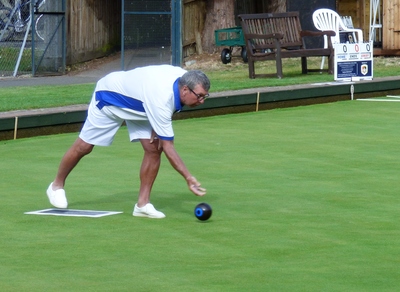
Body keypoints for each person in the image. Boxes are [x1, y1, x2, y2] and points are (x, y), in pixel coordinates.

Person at [46, 65, 210, 219]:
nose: (202, 101)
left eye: (205, 96)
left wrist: (157, 124)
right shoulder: (160, 97)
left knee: (153, 148)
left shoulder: (183, 78)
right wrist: (188, 177)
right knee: (84, 146)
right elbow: (168, 146)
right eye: (200, 96)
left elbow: (167, 107)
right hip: (110, 97)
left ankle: (142, 205)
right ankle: (56, 186)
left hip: (141, 104)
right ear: (185, 90)